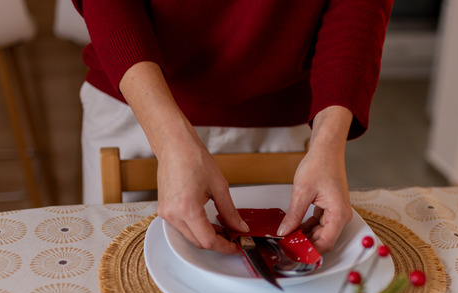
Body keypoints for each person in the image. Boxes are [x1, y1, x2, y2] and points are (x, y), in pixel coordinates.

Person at [74, 0, 393, 255]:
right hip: (135, 99)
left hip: (282, 117)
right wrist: (169, 140)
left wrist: (329, 142)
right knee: (115, 276)